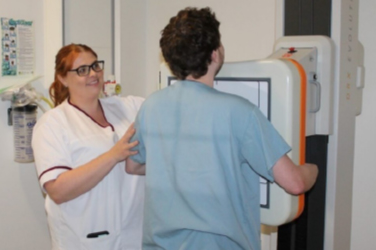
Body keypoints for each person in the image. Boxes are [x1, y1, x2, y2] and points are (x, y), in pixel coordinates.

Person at [126, 7, 319, 250]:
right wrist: (313, 168)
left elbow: (133, 165)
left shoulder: (151, 106)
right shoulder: (240, 112)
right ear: (215, 54)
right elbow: (295, 183)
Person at [32, 44, 145, 250]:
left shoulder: (127, 107)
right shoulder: (52, 124)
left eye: (95, 66)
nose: (93, 74)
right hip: (83, 240)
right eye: (82, 70)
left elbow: (166, 108)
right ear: (63, 78)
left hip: (133, 237)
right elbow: (57, 190)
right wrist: (113, 156)